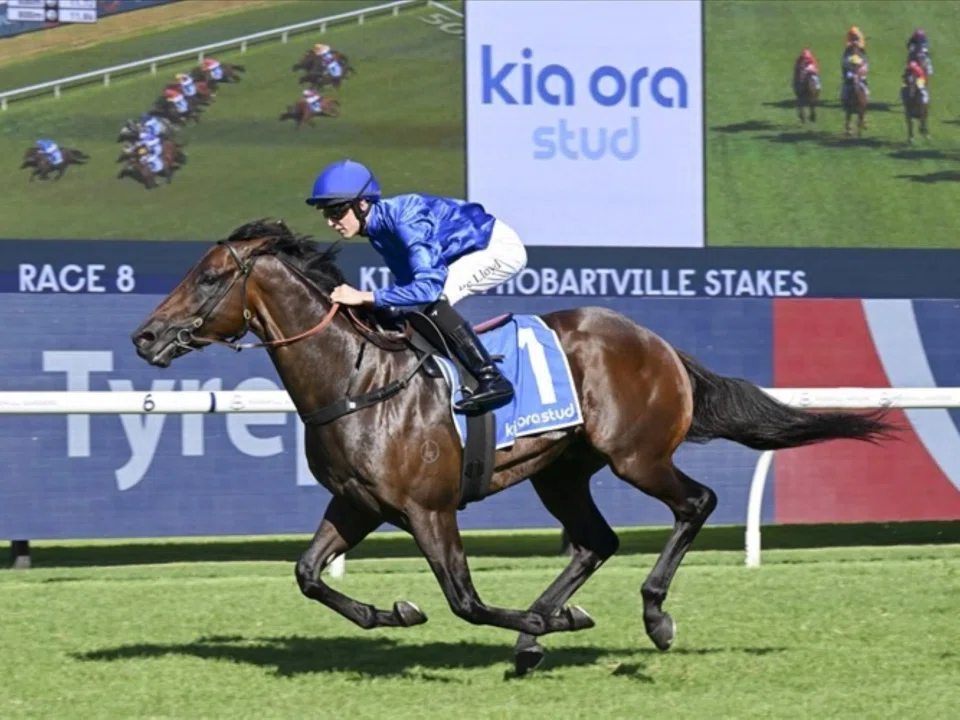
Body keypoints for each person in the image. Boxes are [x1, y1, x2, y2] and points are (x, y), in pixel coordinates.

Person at [305, 159, 528, 414]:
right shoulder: (377, 231)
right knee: (404, 310)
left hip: (496, 249)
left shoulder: (405, 218)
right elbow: (407, 285)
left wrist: (365, 296)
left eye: (335, 211)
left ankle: (492, 379)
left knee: (435, 300)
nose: (331, 222)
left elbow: (427, 290)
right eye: (326, 213)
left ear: (362, 203)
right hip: (463, 253)